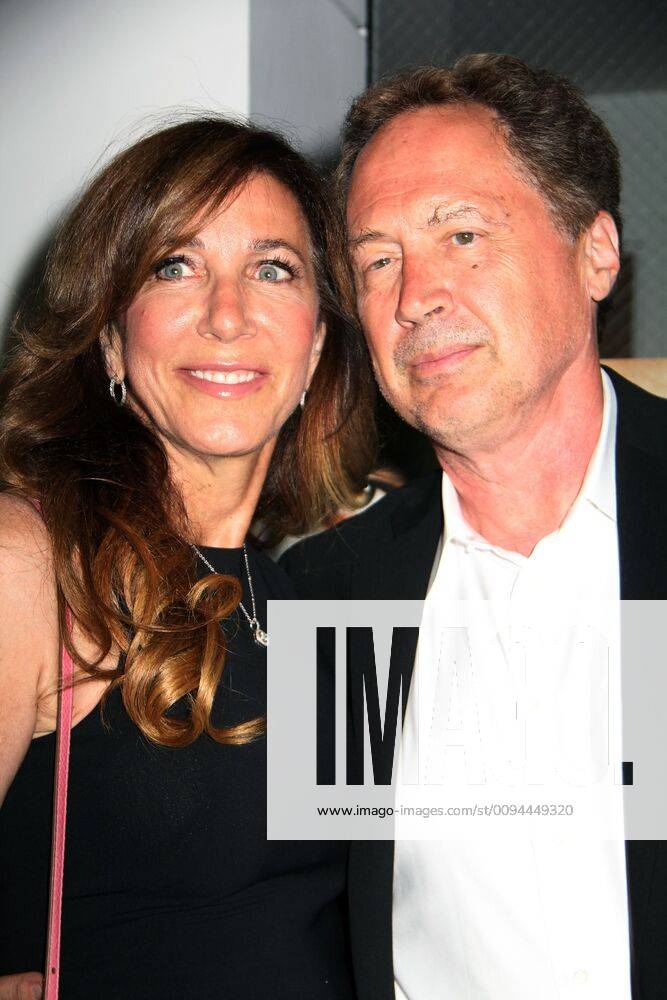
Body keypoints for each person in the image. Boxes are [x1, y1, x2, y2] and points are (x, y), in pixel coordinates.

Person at [282, 54, 667, 999]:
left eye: (460, 235)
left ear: (595, 253)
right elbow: (312, 923)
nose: (414, 296)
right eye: (378, 260)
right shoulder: (335, 596)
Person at [0, 116, 376, 998]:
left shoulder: (313, 603)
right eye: (176, 265)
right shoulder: (32, 562)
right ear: (109, 335)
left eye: (272, 269)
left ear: (317, 343)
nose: (227, 314)